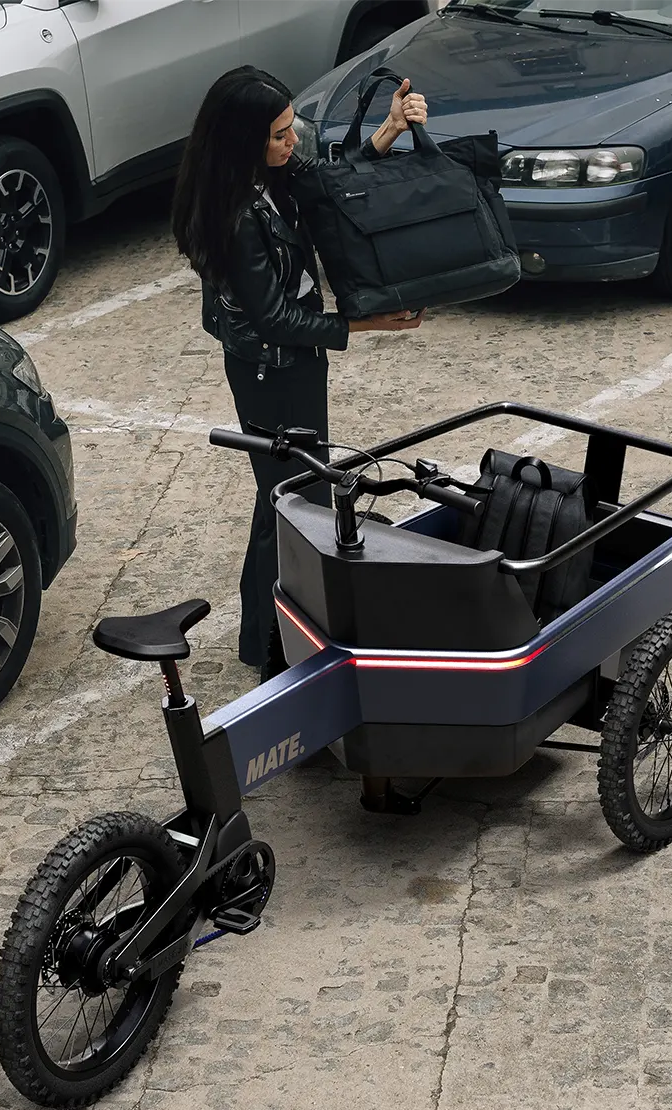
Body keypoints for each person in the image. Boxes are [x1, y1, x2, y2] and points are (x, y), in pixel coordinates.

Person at [174, 66, 428, 682]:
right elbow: (276, 320)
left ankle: (263, 643)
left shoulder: (271, 171)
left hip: (292, 366)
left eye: (292, 129)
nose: (294, 143)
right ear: (243, 142)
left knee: (282, 502)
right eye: (280, 135)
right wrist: (367, 326)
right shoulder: (237, 215)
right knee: (291, 504)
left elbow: (332, 183)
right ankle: (272, 653)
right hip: (270, 372)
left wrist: (388, 131)